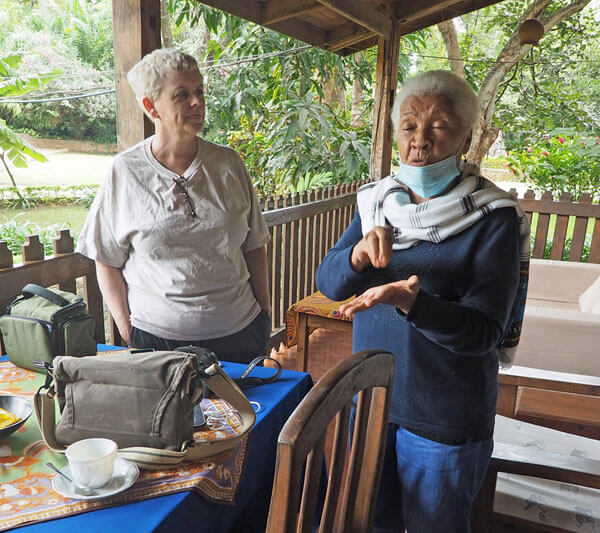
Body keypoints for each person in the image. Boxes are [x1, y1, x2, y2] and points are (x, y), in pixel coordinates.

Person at [316, 70, 530, 532]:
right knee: (371, 524)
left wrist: (414, 303)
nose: (421, 141)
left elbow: (484, 332)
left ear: (467, 136)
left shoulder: (493, 217)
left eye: (439, 126)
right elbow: (330, 284)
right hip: (371, 403)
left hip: (444, 417)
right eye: (409, 126)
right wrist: (356, 254)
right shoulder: (377, 203)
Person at [76, 48, 271, 364]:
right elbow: (106, 258)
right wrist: (128, 329)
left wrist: (264, 312)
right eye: (182, 95)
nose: (197, 102)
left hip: (240, 335)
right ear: (151, 106)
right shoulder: (125, 171)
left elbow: (254, 245)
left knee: (248, 415)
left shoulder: (228, 163)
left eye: (199, 91)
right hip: (158, 343)